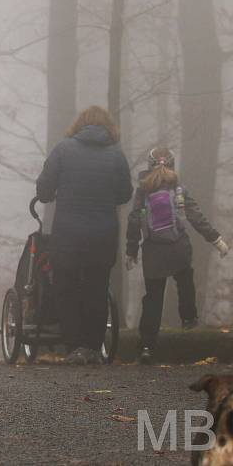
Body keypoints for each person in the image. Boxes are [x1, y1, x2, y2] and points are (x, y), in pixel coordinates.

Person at [36, 106, 133, 365]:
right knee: (97, 288)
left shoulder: (63, 150)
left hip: (68, 234)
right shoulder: (116, 156)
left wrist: (54, 193)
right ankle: (92, 347)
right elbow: (125, 193)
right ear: (108, 127)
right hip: (103, 234)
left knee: (65, 288)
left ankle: (73, 346)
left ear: (78, 125)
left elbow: (44, 189)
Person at [125, 147, 229, 363]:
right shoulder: (178, 187)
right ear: (172, 164)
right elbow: (195, 216)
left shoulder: (143, 190)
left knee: (153, 298)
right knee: (185, 280)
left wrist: (131, 250)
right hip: (178, 247)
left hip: (153, 251)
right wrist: (216, 240)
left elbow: (135, 219)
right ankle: (189, 317)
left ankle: (146, 346)